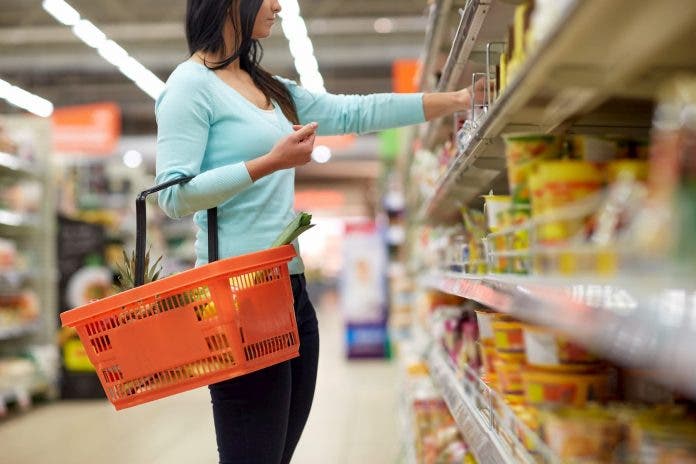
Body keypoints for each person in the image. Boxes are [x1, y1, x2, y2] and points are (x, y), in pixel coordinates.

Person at [155, 1, 488, 462]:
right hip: (236, 298)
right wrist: (270, 162)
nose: (276, 5)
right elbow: (172, 197)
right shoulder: (189, 86)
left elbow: (355, 113)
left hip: (290, 291)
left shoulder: (266, 86)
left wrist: (455, 101)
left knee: (277, 453)